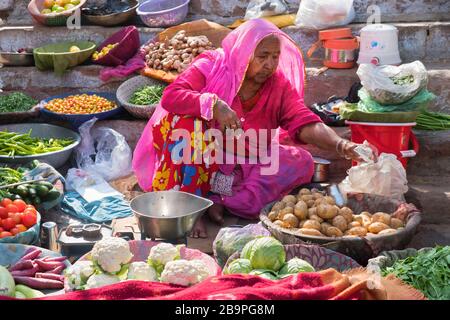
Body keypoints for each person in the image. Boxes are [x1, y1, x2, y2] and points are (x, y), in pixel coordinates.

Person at [133, 19, 367, 238]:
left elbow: (303, 120)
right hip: (200, 161)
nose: (270, 64)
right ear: (244, 51)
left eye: (275, 57)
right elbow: (172, 96)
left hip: (243, 163)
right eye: (262, 56)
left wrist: (341, 144)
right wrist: (213, 105)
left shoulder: (278, 86)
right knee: (187, 126)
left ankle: (221, 200)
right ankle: (190, 205)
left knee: (301, 162)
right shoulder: (211, 65)